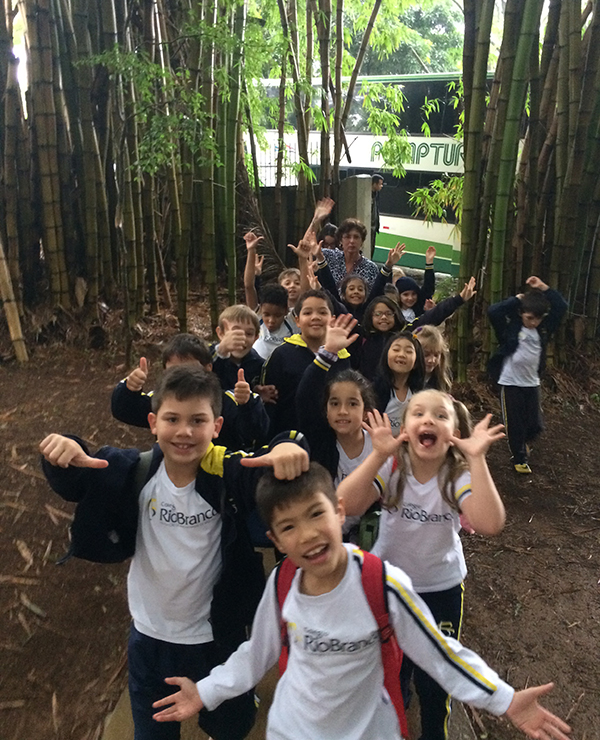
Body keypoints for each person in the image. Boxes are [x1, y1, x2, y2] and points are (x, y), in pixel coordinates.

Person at [151, 463, 571, 740]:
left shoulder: (380, 583)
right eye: (289, 527)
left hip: (369, 730)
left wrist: (503, 698)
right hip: (292, 729)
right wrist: (205, 691)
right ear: (276, 540)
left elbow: (440, 653)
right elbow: (256, 653)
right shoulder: (282, 581)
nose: (308, 534)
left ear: (339, 512)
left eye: (316, 514)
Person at [40, 366, 310, 740]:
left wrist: (289, 448)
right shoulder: (136, 471)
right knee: (152, 732)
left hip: (217, 641)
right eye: (172, 419)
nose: (184, 431)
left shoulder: (227, 475)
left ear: (216, 426)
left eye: (197, 420)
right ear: (153, 423)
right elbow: (80, 477)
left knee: (230, 727)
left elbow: (274, 460)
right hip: (150, 639)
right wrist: (63, 453)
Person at [337, 391, 507, 740]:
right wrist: (378, 454)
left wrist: (477, 459)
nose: (428, 419)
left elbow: (490, 523)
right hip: (390, 589)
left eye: (440, 415)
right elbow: (346, 503)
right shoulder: (392, 467)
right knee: (392, 673)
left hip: (441, 590)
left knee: (436, 678)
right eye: (418, 413)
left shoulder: (456, 474)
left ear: (455, 433)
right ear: (404, 428)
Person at [295, 315, 379, 539]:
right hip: (324, 535)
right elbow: (304, 397)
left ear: (366, 410)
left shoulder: (377, 445)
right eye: (334, 403)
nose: (342, 411)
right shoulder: (320, 441)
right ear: (325, 410)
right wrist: (328, 353)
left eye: (352, 404)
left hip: (369, 536)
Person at [111, 333, 269, 450]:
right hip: (172, 470)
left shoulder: (225, 400)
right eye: (173, 419)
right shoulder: (162, 399)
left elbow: (257, 432)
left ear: (208, 368)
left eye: (198, 420)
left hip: (218, 474)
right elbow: (124, 410)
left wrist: (246, 404)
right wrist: (129, 389)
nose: (183, 376)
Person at [488, 275, 568, 475]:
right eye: (530, 318)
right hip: (510, 382)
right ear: (521, 313)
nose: (534, 322)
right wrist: (516, 299)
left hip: (532, 383)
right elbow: (493, 311)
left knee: (535, 425)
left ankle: (525, 443)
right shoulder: (510, 329)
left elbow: (561, 307)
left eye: (538, 318)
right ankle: (519, 458)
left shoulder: (543, 330)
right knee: (514, 423)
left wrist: (543, 287)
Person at [260, 289, 351, 437]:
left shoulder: (342, 357)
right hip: (289, 437)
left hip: (329, 438)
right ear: (297, 321)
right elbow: (270, 404)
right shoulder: (282, 355)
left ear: (332, 319)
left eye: (322, 312)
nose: (315, 317)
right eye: (307, 313)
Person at [373, 331, 426, 435]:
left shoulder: (419, 393)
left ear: (416, 362)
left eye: (409, 351)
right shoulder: (374, 391)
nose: (401, 354)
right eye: (396, 349)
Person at [212, 305, 264, 390]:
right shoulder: (206, 356)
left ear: (255, 338)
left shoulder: (259, 365)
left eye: (249, 334)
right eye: (236, 332)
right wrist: (221, 351)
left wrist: (258, 392)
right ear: (221, 333)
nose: (242, 338)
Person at [395, 246, 437, 322]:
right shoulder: (393, 311)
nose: (410, 298)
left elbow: (428, 287)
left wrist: (429, 263)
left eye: (414, 294)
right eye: (405, 294)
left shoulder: (419, 308)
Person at [415, 324, 452, 392]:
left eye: (436, 355)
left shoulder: (441, 379)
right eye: (426, 355)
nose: (431, 360)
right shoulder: (406, 379)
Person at [371, 173, 384, 257]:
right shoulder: (369, 195)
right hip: (370, 227)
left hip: (374, 228)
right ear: (374, 184)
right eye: (380, 184)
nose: (381, 186)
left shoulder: (375, 195)